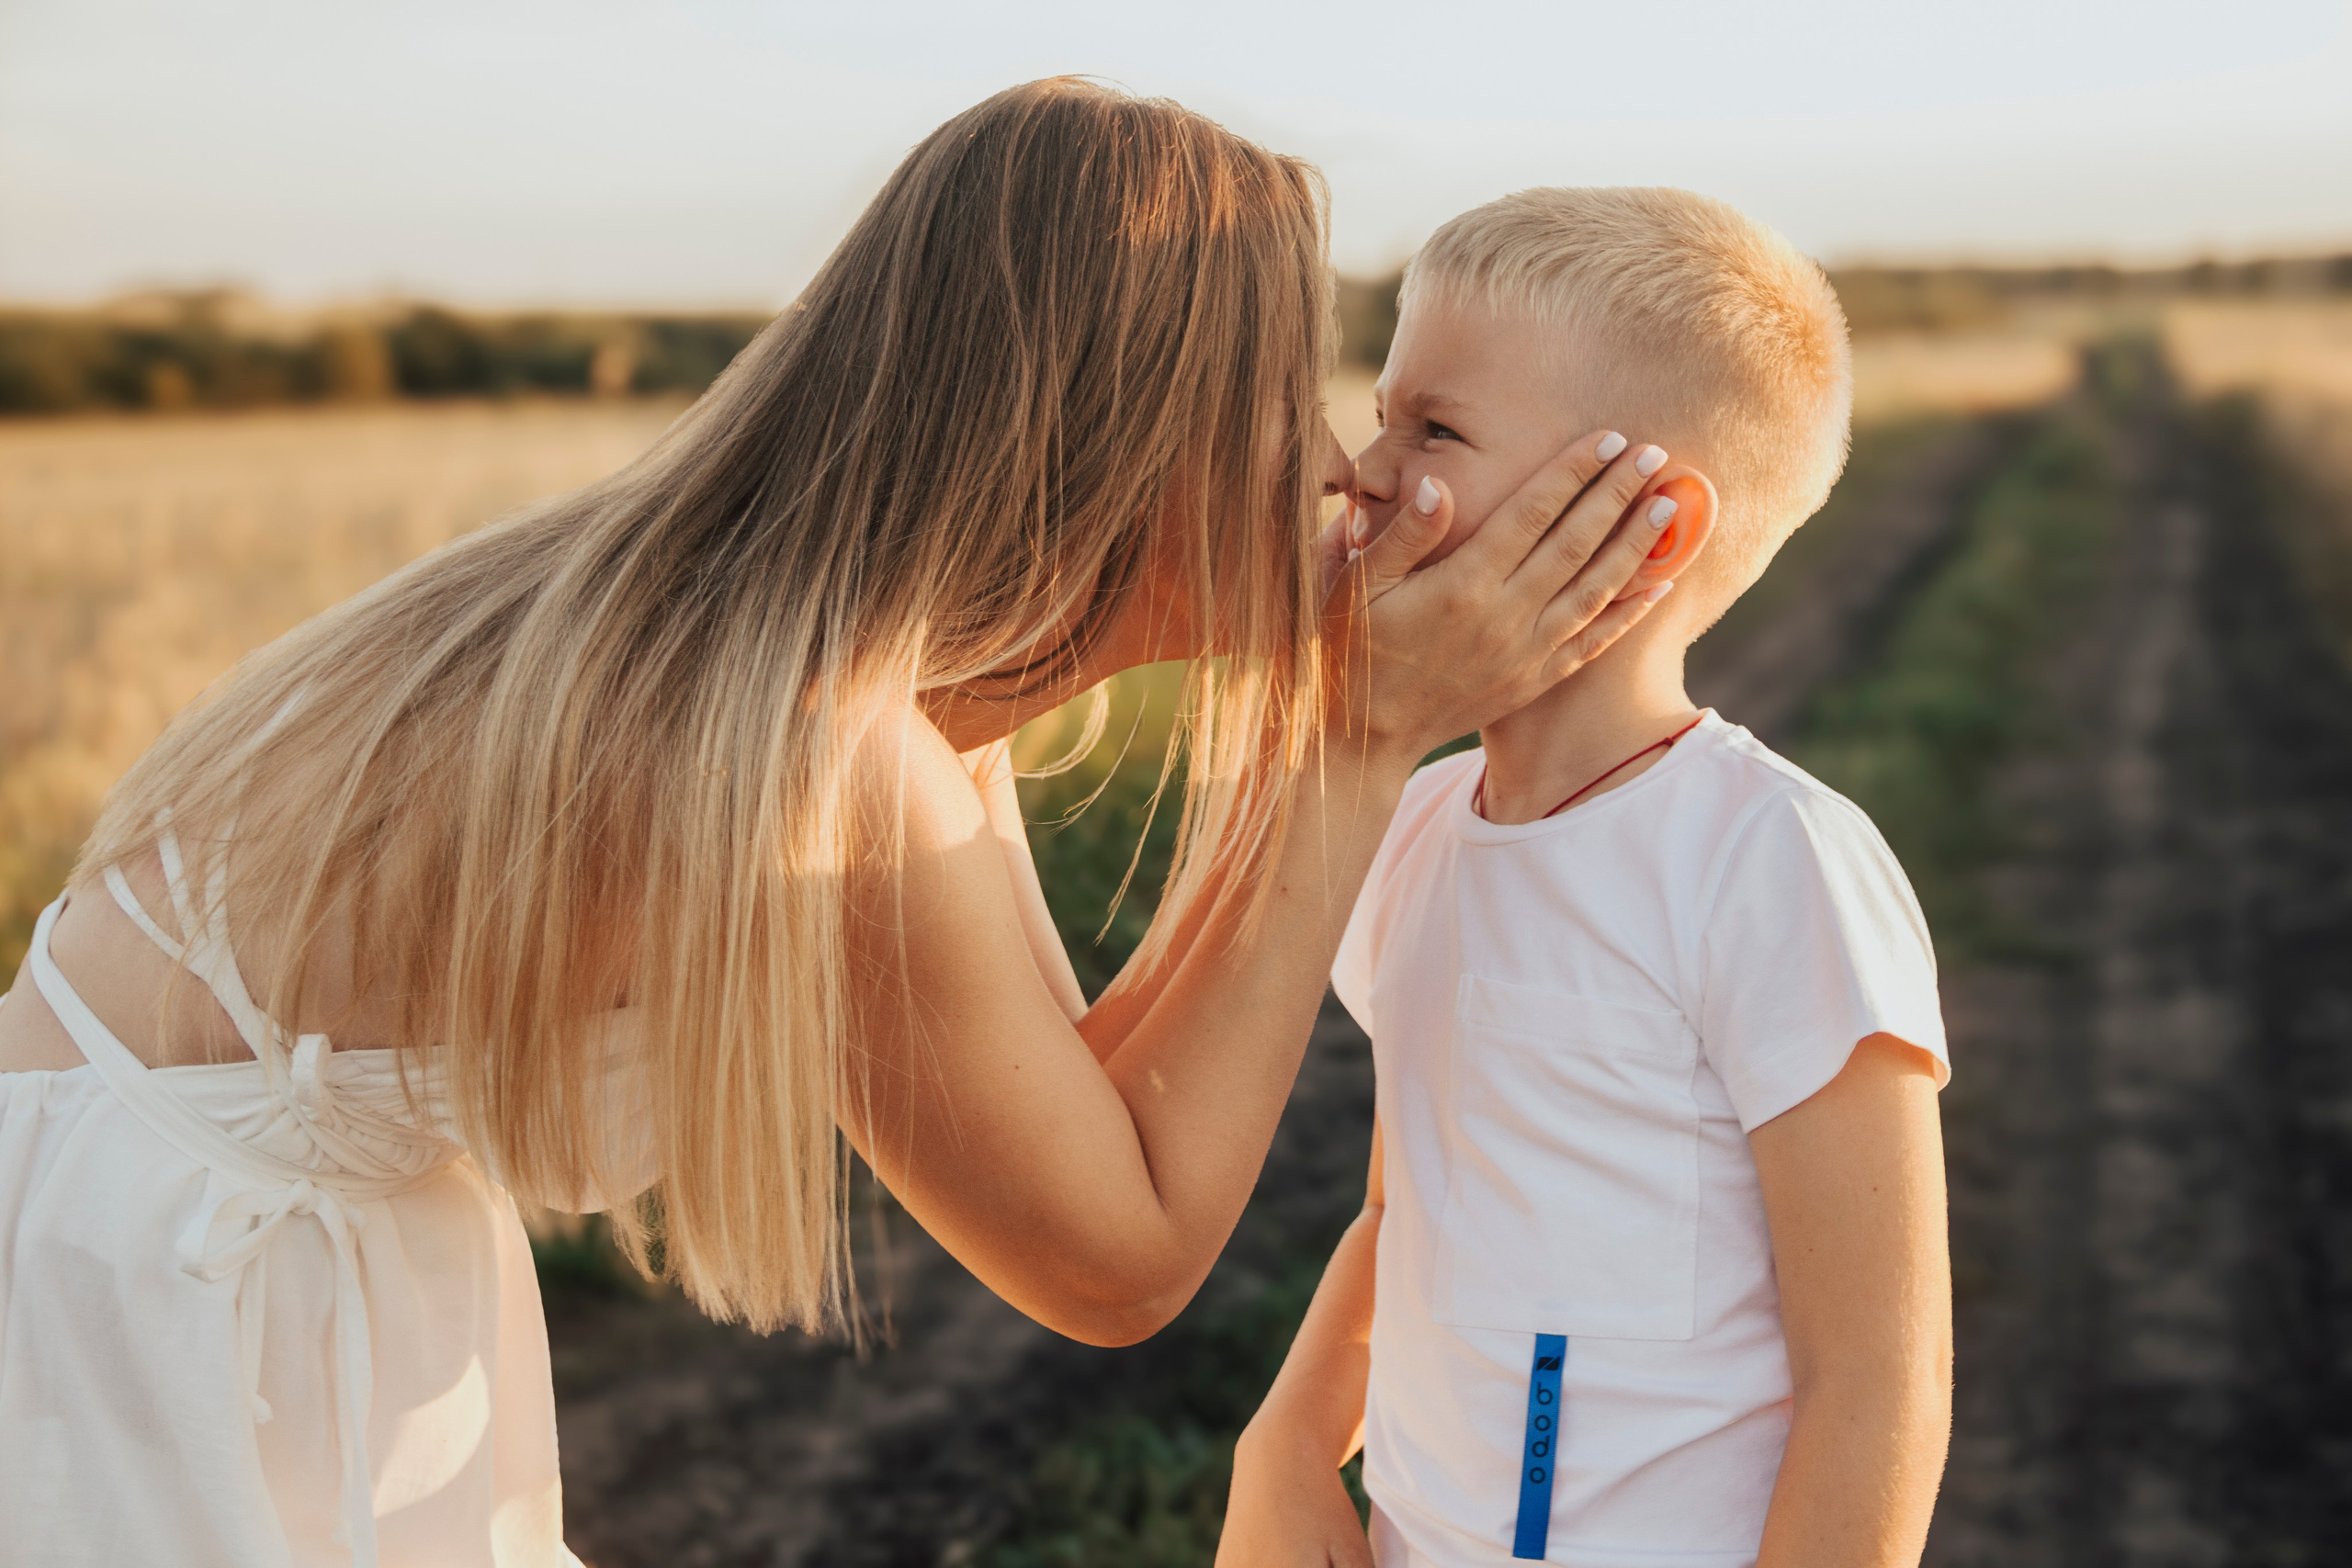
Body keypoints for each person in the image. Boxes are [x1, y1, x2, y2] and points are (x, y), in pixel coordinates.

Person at [0, 84, 1676, 1566]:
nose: (1332, 467)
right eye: (1278, 393)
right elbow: (1120, 1267)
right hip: (144, 1311)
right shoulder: (816, 740)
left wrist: (1331, 732)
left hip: (202, 1243)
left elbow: (1094, 1114)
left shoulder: (873, 683)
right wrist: (1355, 741)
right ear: (1121, 434)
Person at [1219, 187, 1953, 1568]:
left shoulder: (1771, 864)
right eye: (1385, 412)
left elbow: (1881, 1384)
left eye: (1434, 428)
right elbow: (1405, 1208)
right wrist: (1287, 1445)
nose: (1366, 469)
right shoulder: (1412, 822)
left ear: (1648, 527)